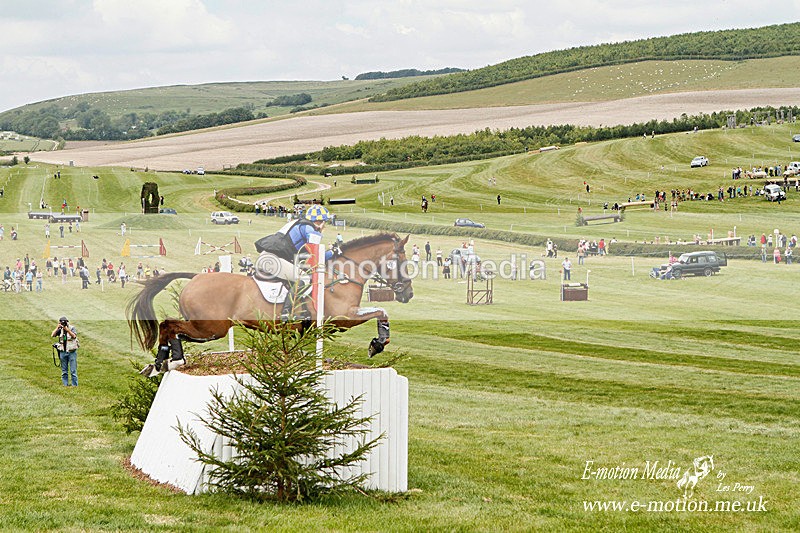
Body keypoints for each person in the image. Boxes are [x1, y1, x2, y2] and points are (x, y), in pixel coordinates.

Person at [254, 204, 335, 317]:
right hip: (273, 259)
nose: (324, 227)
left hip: (269, 257)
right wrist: (332, 252)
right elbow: (316, 255)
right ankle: (286, 313)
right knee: (304, 278)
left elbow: (304, 255)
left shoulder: (299, 224)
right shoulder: (309, 229)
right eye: (325, 223)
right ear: (320, 222)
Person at [52, 317, 78, 387]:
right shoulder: (60, 329)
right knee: (64, 371)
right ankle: (65, 384)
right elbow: (53, 335)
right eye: (61, 323)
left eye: (64, 322)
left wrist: (67, 330)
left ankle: (74, 385)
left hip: (71, 351)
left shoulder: (72, 328)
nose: (63, 324)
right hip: (63, 351)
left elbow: (74, 336)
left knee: (73, 370)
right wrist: (57, 328)